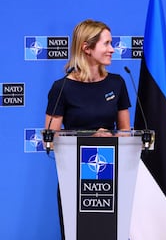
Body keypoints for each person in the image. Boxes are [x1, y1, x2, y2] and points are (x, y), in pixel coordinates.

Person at [44, 19, 131, 239]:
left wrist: (109, 137)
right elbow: (50, 140)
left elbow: (126, 133)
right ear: (87, 48)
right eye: (107, 44)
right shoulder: (62, 87)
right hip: (74, 178)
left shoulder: (117, 83)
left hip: (110, 177)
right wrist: (90, 137)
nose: (113, 49)